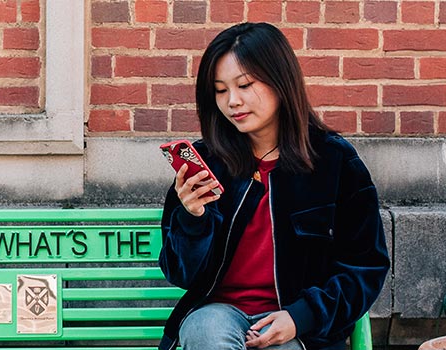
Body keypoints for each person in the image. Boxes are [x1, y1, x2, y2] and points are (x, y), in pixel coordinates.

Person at [157, 22, 389, 350]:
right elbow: (180, 273)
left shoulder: (334, 162)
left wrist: (300, 316)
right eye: (221, 90)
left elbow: (365, 266)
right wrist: (192, 219)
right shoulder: (208, 161)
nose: (232, 101)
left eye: (245, 85)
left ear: (280, 82)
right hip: (219, 314)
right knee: (205, 329)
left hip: (299, 328)